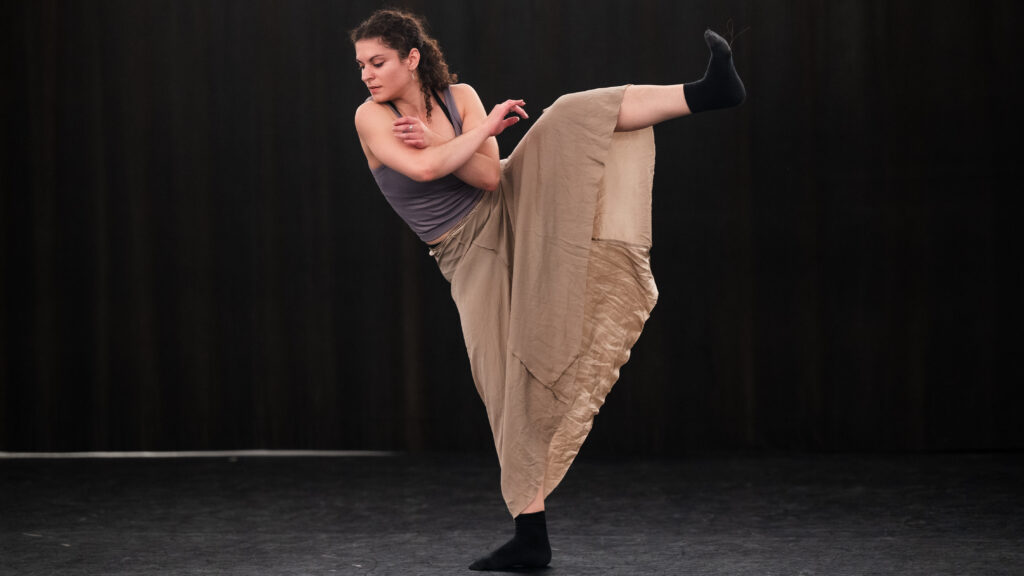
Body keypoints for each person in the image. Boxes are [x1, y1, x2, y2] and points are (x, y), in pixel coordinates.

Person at [351, 8, 745, 571]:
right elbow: (424, 170)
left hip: (511, 202)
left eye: (378, 61)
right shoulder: (372, 117)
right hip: (466, 250)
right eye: (362, 64)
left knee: (570, 115)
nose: (367, 74)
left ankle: (707, 93)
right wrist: (477, 134)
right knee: (505, 380)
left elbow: (488, 176)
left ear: (412, 58)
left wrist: (457, 134)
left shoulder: (458, 97)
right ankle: (530, 533)